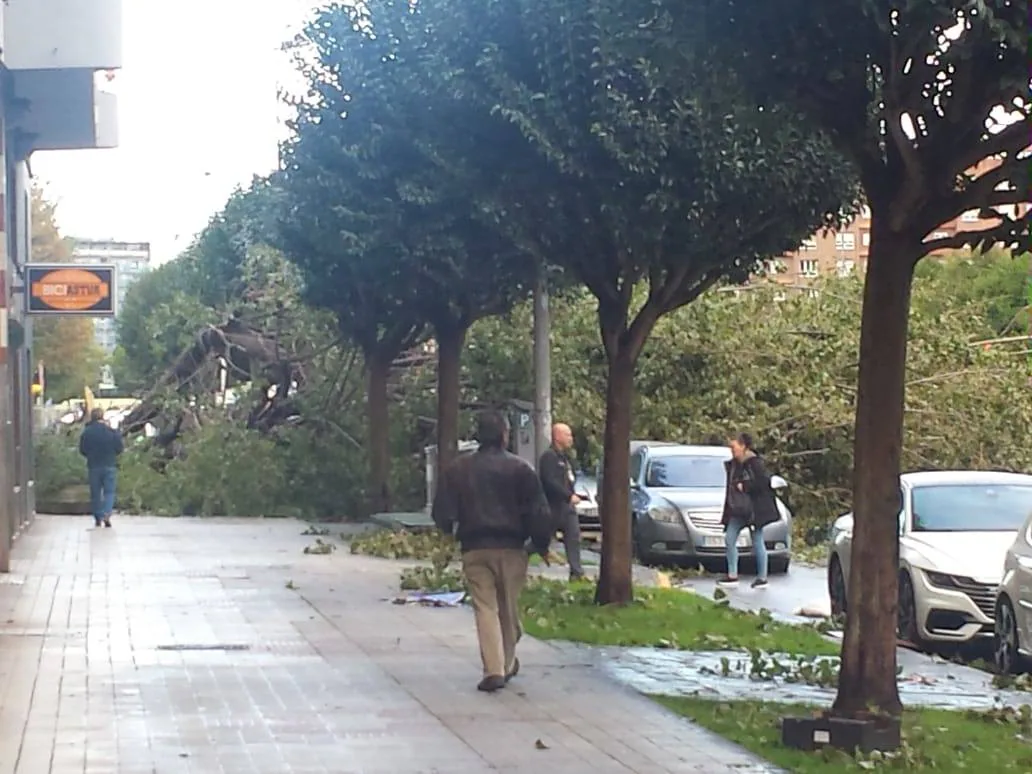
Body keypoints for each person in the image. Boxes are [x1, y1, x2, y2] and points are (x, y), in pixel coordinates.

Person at [432, 411, 553, 693]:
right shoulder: (521, 470)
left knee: (485, 607)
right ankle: (506, 663)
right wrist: (540, 544)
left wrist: (448, 530)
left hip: (475, 548)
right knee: (507, 607)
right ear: (504, 435)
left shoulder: (458, 469)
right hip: (512, 548)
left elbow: (442, 511)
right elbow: (539, 511)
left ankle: (493, 669)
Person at [719, 432, 780, 588]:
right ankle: (732, 575)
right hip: (738, 509)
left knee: (757, 540)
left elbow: (763, 483)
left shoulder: (755, 464)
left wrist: (746, 486)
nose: (731, 450)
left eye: (734, 447)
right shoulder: (733, 465)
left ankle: (762, 578)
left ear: (743, 446)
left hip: (753, 510)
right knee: (729, 538)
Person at [538, 422, 585, 581]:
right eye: (568, 435)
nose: (571, 439)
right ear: (557, 436)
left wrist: (573, 495)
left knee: (573, 537)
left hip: (567, 508)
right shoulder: (549, 457)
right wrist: (567, 495)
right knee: (541, 538)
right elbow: (549, 481)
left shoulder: (564, 458)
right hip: (553, 507)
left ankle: (577, 573)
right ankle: (520, 555)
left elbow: (567, 479)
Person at [78, 408, 124, 528]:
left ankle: (98, 517)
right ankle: (107, 513)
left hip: (93, 466)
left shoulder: (87, 432)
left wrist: (90, 455)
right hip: (109, 464)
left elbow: (82, 449)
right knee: (109, 492)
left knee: (95, 493)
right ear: (102, 417)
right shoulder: (111, 432)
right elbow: (119, 448)